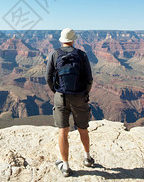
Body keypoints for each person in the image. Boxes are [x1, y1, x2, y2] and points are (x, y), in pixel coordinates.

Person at [45, 28, 94, 177]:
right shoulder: (81, 55)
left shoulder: (54, 54)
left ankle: (65, 167)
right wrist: (84, 93)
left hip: (61, 96)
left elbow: (48, 77)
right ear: (73, 40)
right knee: (82, 128)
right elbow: (89, 78)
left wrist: (57, 91)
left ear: (62, 40)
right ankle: (87, 158)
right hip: (79, 96)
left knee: (63, 131)